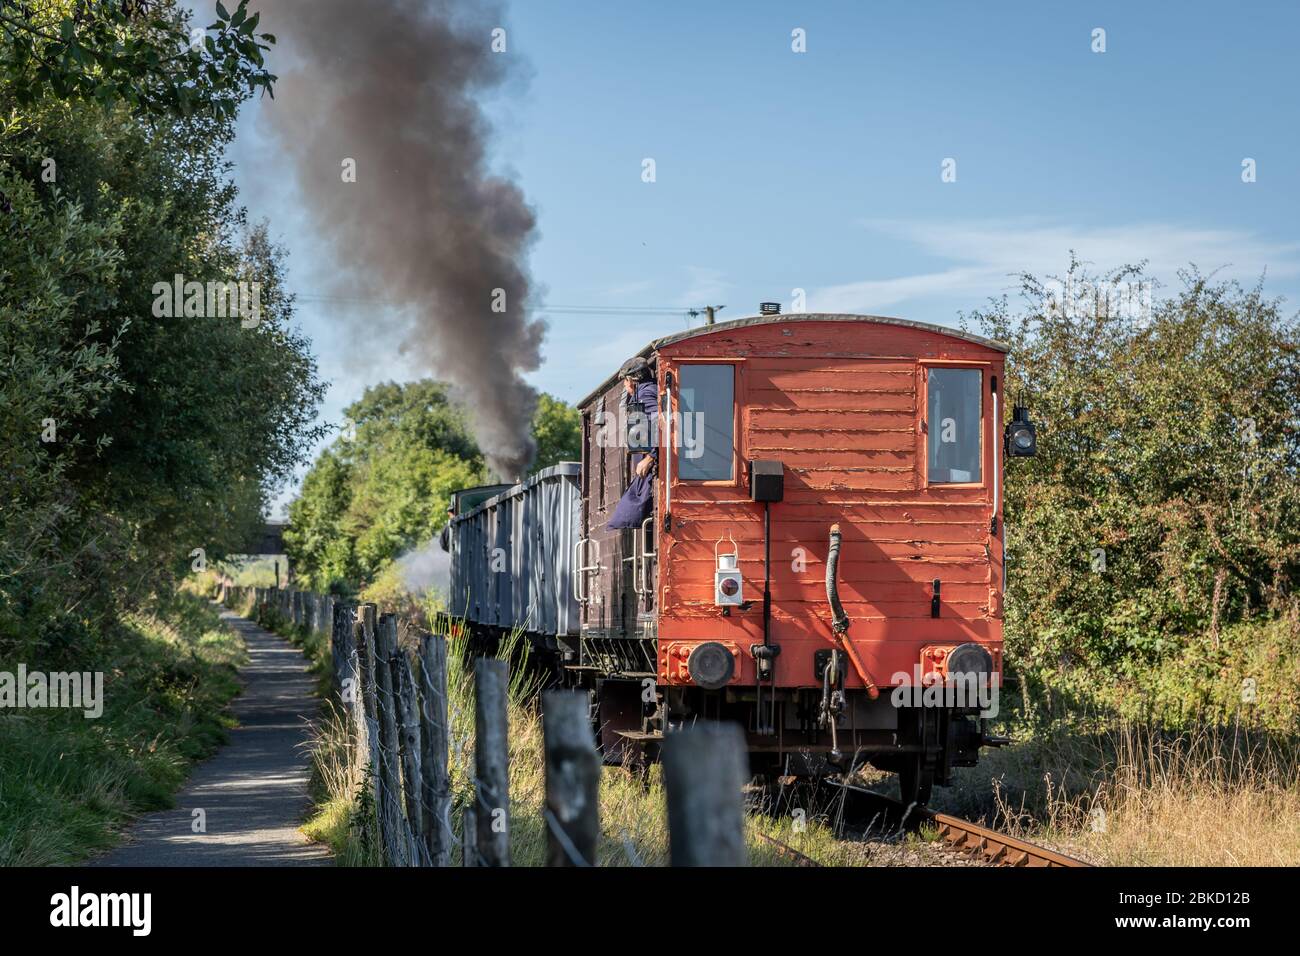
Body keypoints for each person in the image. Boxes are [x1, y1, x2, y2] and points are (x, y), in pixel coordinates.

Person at [607, 356, 658, 529]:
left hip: (653, 471)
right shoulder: (645, 392)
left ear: (631, 380)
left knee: (628, 514)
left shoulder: (645, 394)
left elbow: (666, 427)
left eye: (625, 381)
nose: (624, 386)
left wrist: (650, 458)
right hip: (649, 472)